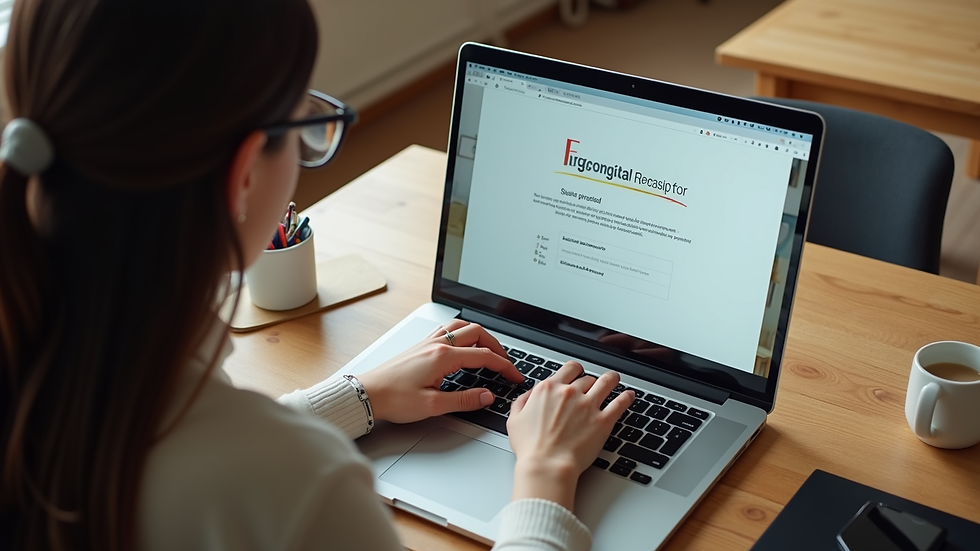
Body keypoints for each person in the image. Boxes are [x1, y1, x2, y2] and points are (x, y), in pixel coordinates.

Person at [0, 1, 635, 550]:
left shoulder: (45, 352)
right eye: (303, 124)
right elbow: (231, 469)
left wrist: (353, 398)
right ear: (245, 172)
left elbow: (169, 443)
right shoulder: (298, 490)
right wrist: (547, 477)